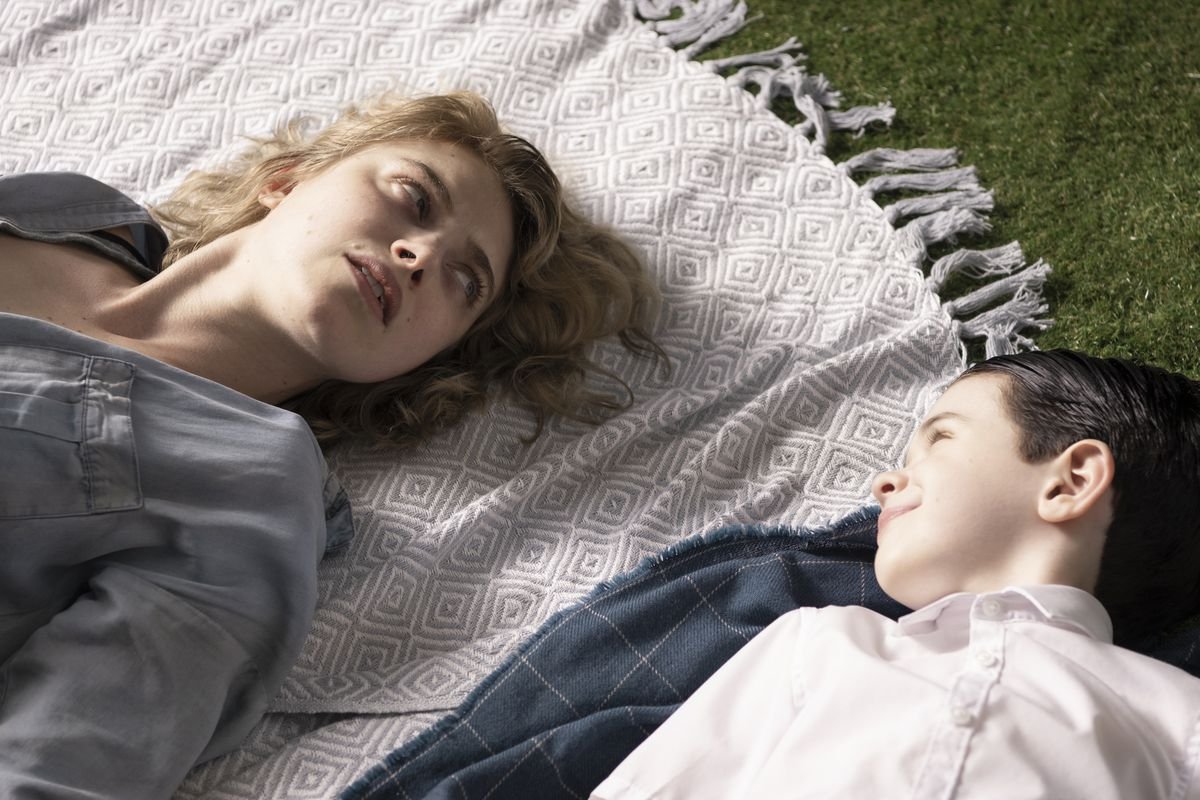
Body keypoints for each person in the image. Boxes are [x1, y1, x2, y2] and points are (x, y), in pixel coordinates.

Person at [0, 91, 663, 798]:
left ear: (423, 359)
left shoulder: (251, 493)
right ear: (286, 178)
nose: (422, 254)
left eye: (465, 281)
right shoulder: (69, 213)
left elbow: (56, 770)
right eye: (414, 196)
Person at [592, 349, 1200, 799]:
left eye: (940, 438)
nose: (883, 482)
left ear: (1069, 482)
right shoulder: (818, 645)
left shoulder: (1176, 715)